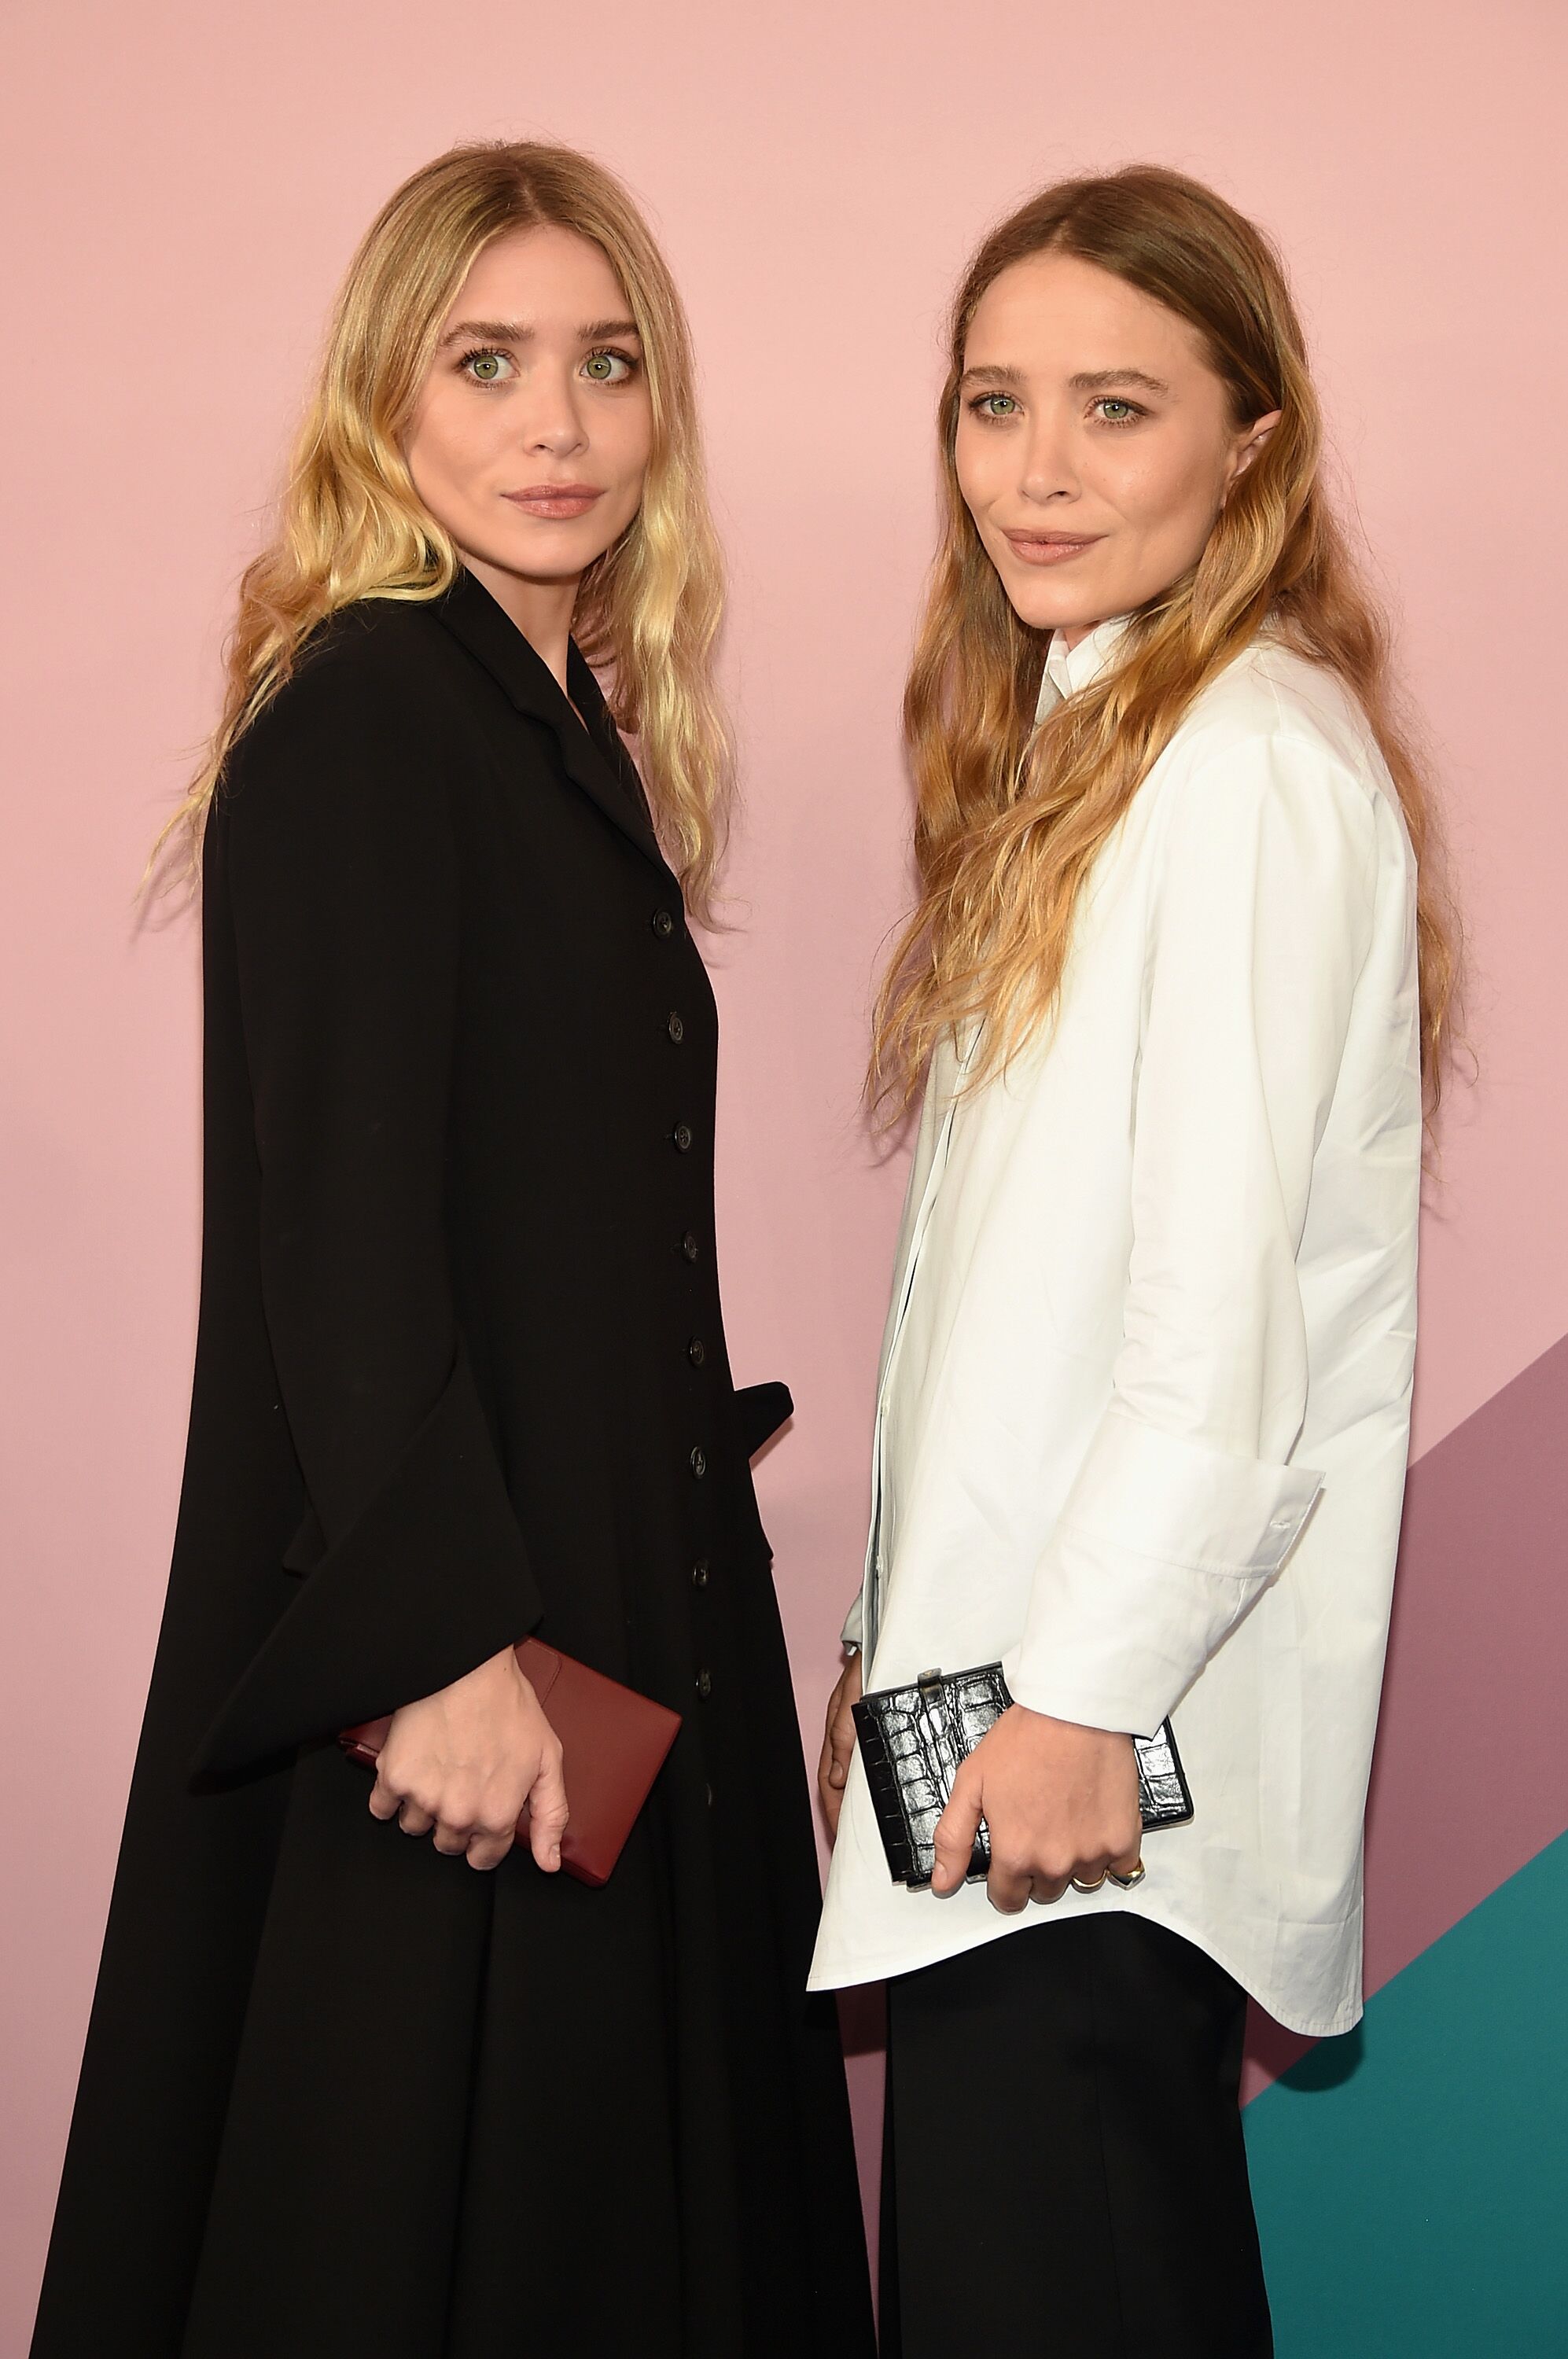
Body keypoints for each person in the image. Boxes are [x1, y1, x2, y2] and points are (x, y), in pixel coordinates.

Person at [32, 140, 874, 2359]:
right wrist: (441, 1652)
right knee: (429, 2220)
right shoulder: (370, 710)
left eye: (606, 367)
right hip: (473, 1643)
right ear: (382, 405)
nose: (557, 425)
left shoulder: (552, 725)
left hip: (601, 1592)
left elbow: (540, 1207)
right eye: (486, 363)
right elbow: (341, 1234)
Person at [813, 165, 1454, 2356]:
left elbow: (1221, 1324)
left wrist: (1078, 1695)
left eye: (1114, 406)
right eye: (993, 406)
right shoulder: (1101, 739)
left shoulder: (1246, 763)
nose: (1037, 471)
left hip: (1090, 1746)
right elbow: (1000, 1332)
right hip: (1009, 1726)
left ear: (1245, 441)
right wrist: (885, 1664)